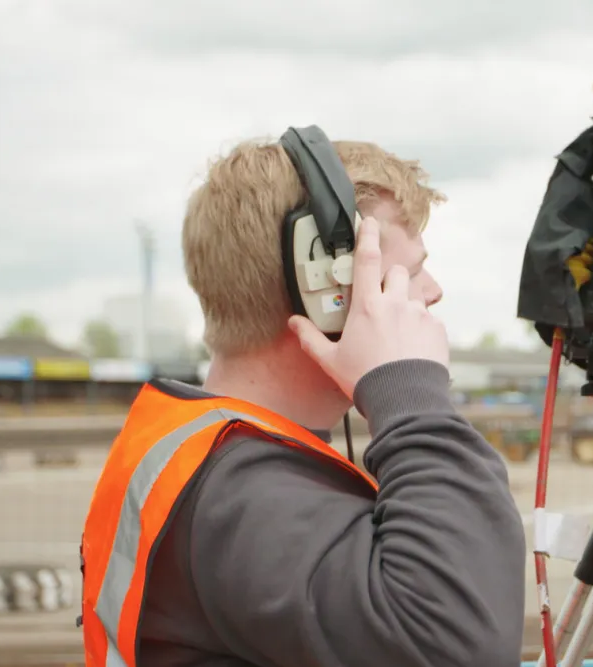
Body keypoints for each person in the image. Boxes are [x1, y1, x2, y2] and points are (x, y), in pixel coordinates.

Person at [79, 139, 526, 667]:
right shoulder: (244, 496)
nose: (432, 290)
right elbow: (462, 645)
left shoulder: (213, 456)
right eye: (408, 271)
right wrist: (409, 393)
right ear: (326, 292)